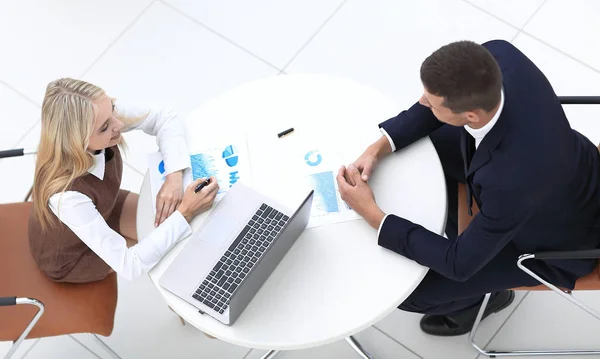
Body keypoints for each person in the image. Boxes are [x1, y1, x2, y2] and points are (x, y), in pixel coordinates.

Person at [336, 40, 600, 336]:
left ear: (472, 116)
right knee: (422, 149)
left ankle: (479, 304)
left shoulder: (512, 183)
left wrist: (373, 215)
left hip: (554, 242)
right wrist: (378, 147)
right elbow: (430, 107)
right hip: (570, 168)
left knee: (413, 294)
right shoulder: (498, 54)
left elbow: (459, 263)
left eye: (432, 103)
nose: (422, 103)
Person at [28, 78, 219, 283]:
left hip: (103, 206)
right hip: (71, 256)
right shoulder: (67, 198)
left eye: (112, 109)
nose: (118, 124)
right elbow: (130, 265)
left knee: (178, 232)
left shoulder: (100, 115)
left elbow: (164, 117)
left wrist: (174, 176)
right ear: (77, 141)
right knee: (171, 256)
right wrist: (185, 212)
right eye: (104, 127)